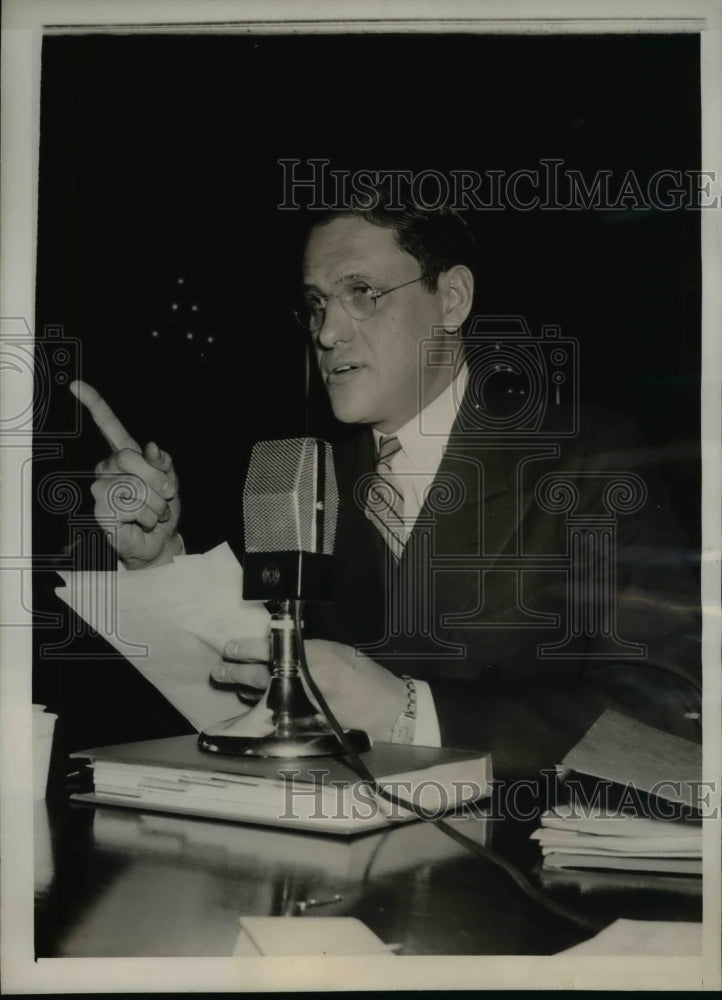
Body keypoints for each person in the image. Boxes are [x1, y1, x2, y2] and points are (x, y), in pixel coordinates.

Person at [72, 188, 701, 778]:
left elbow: (669, 714)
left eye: (363, 293)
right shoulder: (299, 478)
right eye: (317, 303)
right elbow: (236, 693)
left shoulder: (588, 456)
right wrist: (156, 562)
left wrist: (410, 713)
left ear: (452, 299)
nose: (326, 332)